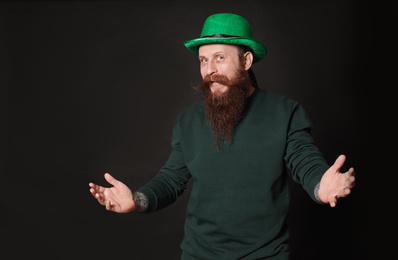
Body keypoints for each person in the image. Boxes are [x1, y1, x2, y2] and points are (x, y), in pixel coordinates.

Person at [89, 13, 355, 259]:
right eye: (203, 60)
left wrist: (321, 186)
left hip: (265, 255)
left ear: (246, 61)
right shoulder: (188, 121)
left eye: (220, 57)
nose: (209, 70)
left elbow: (304, 160)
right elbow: (171, 180)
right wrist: (137, 200)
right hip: (199, 255)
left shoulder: (285, 112)